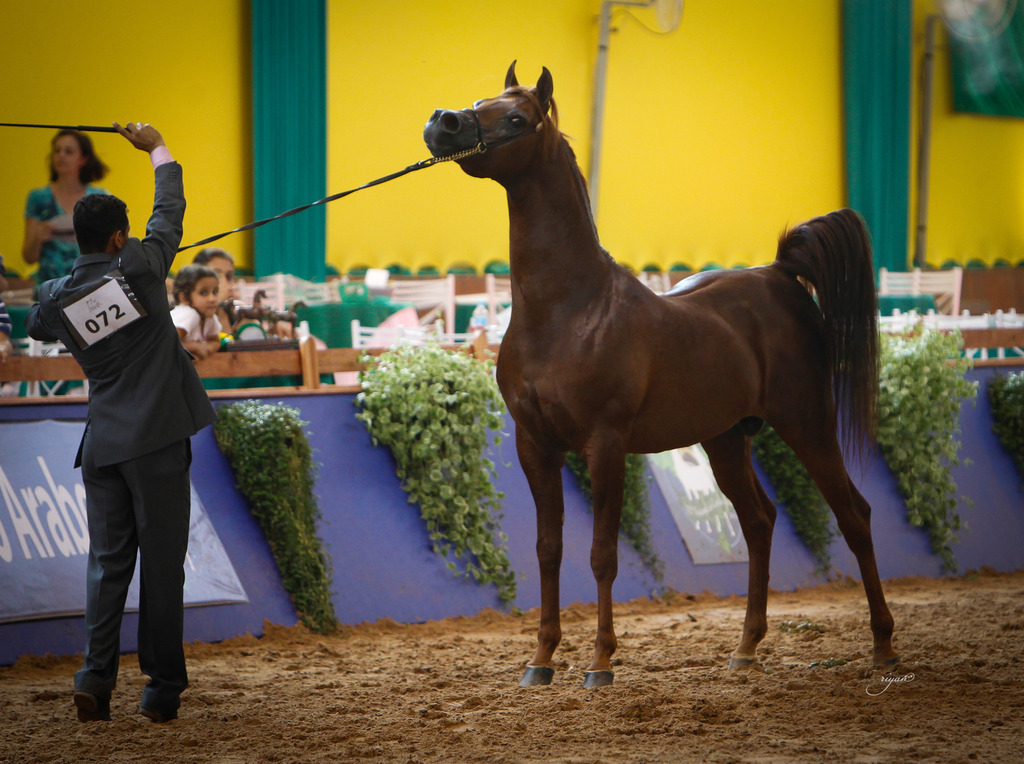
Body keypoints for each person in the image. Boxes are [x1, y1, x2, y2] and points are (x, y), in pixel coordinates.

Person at [26, 122, 215, 724]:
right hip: (156, 443)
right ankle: (161, 688)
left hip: (102, 446)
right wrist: (156, 147)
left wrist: (68, 290)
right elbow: (170, 210)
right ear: (117, 236)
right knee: (161, 569)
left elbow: (35, 323)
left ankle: (94, 678)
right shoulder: (141, 266)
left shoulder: (57, 297)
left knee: (107, 567)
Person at [22, 130, 110, 285]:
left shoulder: (99, 198)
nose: (61, 156)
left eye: (68, 151)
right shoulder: (38, 198)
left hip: (89, 286)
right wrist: (37, 238)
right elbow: (29, 258)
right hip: (49, 287)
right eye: (57, 151)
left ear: (83, 158)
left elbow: (115, 246)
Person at [171, 264, 222, 358]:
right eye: (203, 293)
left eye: (215, 292)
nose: (212, 299)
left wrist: (207, 349)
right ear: (184, 297)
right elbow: (167, 344)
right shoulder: (189, 314)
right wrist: (195, 347)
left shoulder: (209, 316)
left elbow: (215, 341)